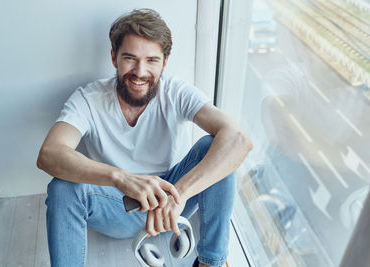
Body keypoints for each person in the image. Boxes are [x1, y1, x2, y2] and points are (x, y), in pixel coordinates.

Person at [36, 8, 252, 267]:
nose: (140, 71)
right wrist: (122, 178)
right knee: (63, 188)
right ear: (114, 58)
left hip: (174, 197)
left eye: (151, 60)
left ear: (164, 62)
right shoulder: (88, 99)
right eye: (130, 58)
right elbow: (49, 154)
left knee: (218, 145)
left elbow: (239, 140)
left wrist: (177, 195)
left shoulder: (176, 91)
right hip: (119, 203)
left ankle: (211, 263)